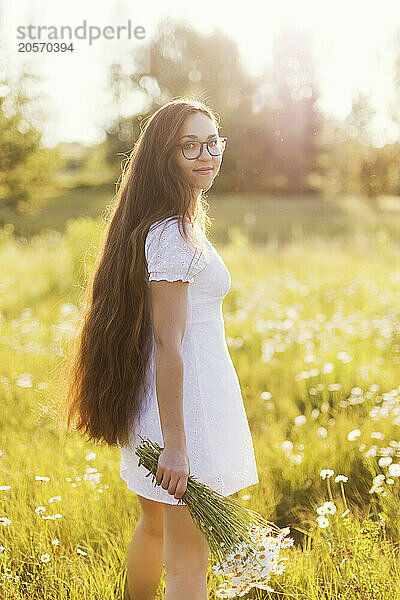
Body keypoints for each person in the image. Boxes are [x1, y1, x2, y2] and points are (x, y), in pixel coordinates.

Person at [61, 97, 259, 600]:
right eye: (188, 146)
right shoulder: (172, 231)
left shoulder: (167, 220)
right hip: (182, 409)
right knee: (189, 562)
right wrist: (176, 443)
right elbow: (168, 341)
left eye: (212, 142)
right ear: (162, 156)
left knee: (154, 527)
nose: (205, 155)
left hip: (159, 401)